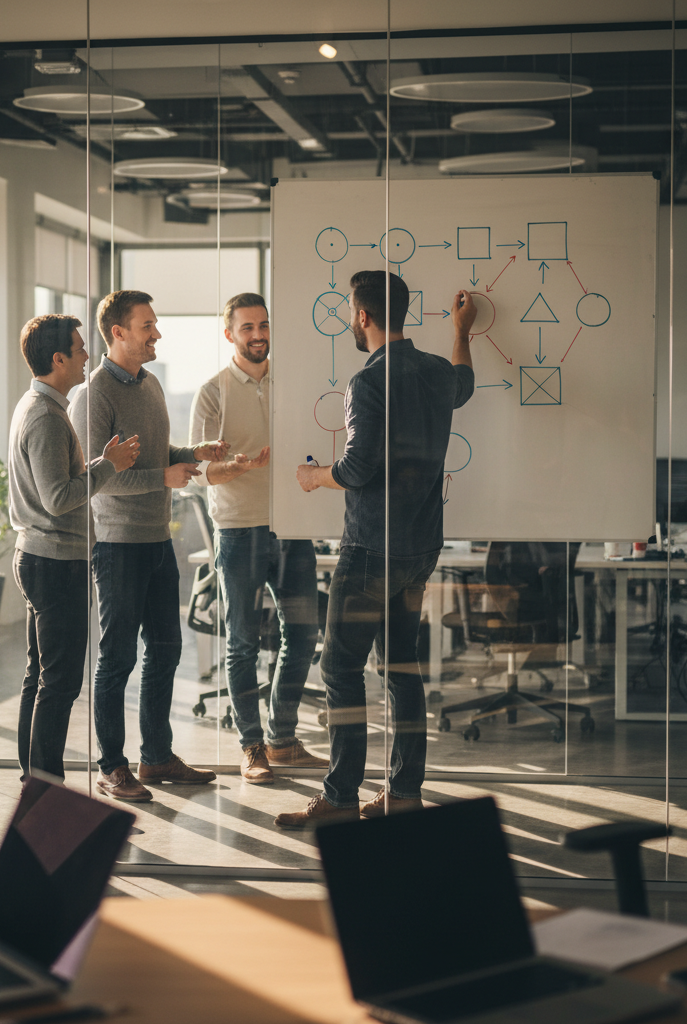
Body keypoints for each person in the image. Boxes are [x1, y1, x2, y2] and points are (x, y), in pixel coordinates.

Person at [275, 272, 477, 828]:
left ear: (362, 316)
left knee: (340, 669)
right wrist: (462, 331)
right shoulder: (436, 371)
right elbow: (464, 381)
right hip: (420, 548)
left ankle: (340, 800)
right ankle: (403, 794)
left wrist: (317, 476)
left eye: (350, 312)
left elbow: (359, 467)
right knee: (401, 668)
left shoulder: (368, 382)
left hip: (370, 552)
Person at [70, 290, 229, 802]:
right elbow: (97, 478)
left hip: (158, 539)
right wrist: (164, 475)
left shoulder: (151, 384)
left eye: (155, 325)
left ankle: (156, 757)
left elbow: (157, 455)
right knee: (117, 659)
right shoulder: (93, 396)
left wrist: (193, 453)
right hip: (118, 545)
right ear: (117, 333)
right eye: (147, 327)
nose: (156, 333)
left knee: (165, 651)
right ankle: (112, 766)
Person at [190, 293, 328, 783]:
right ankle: (253, 747)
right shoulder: (212, 392)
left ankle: (283, 738)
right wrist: (234, 467)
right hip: (239, 529)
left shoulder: (293, 385)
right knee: (243, 643)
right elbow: (196, 470)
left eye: (263, 325)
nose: (257, 335)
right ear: (230, 334)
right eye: (246, 327)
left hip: (292, 527)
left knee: (304, 634)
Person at [8, 314, 140, 782]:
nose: (88, 356)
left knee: (41, 675)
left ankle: (35, 779)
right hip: (54, 561)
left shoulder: (40, 406)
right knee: (59, 682)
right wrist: (110, 464)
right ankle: (47, 785)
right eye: (80, 349)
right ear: (58, 358)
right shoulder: (45, 416)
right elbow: (58, 497)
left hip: (43, 557)